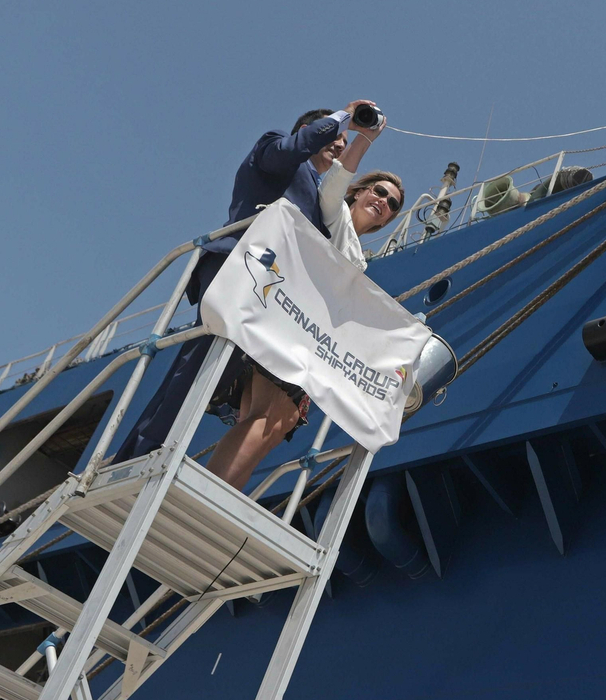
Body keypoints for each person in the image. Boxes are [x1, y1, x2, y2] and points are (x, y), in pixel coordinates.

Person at [113, 101, 377, 463]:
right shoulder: (276, 148)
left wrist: (363, 140)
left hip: (270, 292)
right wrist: (342, 117)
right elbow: (289, 149)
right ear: (307, 130)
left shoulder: (321, 201)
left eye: (344, 140)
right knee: (198, 366)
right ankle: (143, 452)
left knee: (203, 370)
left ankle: (147, 451)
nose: (338, 143)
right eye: (333, 135)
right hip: (239, 266)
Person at [204, 115, 405, 488]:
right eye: (378, 191)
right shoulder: (334, 212)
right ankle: (203, 495)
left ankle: (219, 489)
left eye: (392, 203)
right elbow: (337, 177)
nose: (383, 202)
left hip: (308, 338)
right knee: (269, 414)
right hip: (289, 322)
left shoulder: (359, 258)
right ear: (359, 191)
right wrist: (365, 138)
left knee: (278, 423)